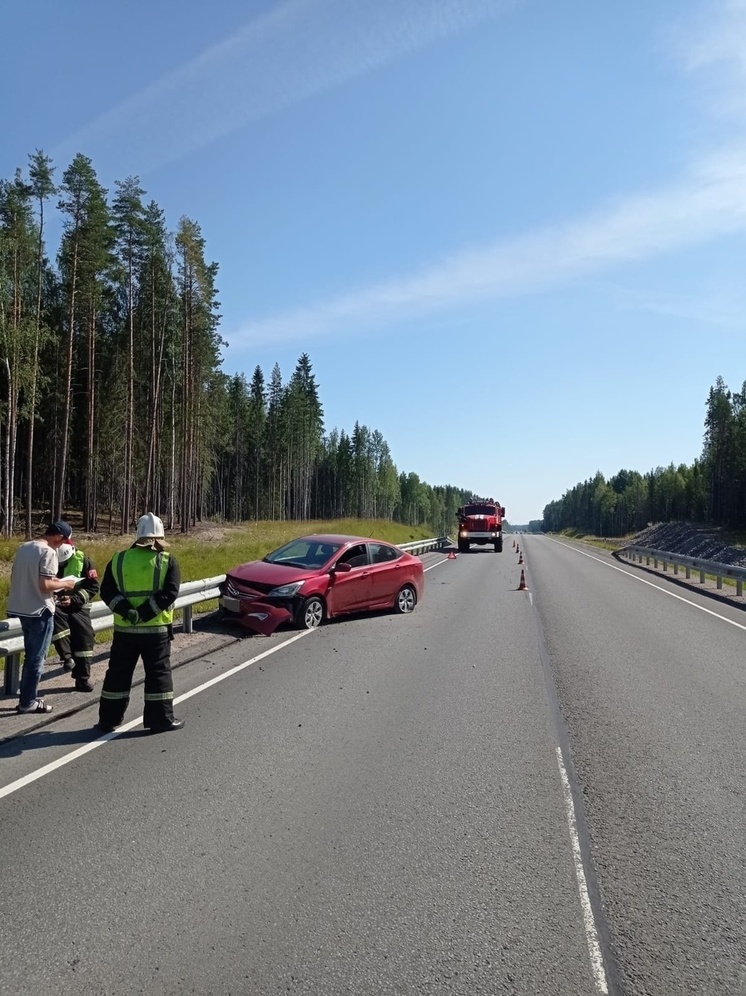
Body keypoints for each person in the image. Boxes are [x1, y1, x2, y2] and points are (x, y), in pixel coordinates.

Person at [96, 513, 185, 734]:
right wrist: (145, 613)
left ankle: (108, 720)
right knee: (158, 675)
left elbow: (107, 591)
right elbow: (170, 593)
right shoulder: (167, 560)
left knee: (117, 674)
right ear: (159, 537)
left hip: (125, 631)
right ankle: (160, 719)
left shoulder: (118, 559)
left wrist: (128, 611)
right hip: (156, 631)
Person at [7, 521, 78, 714]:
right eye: (63, 541)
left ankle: (27, 697)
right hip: (39, 611)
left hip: (19, 607)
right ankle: (28, 701)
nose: (62, 545)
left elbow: (19, 577)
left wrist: (54, 584)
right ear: (57, 537)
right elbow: (44, 584)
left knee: (30, 656)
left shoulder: (25, 547)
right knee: (36, 659)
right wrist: (66, 584)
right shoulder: (48, 552)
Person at [52, 541, 100, 692]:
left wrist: (74, 599)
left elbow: (93, 586)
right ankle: (67, 658)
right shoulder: (48, 558)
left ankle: (82, 679)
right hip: (56, 607)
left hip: (78, 607)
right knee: (60, 630)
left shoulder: (83, 560)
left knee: (84, 639)